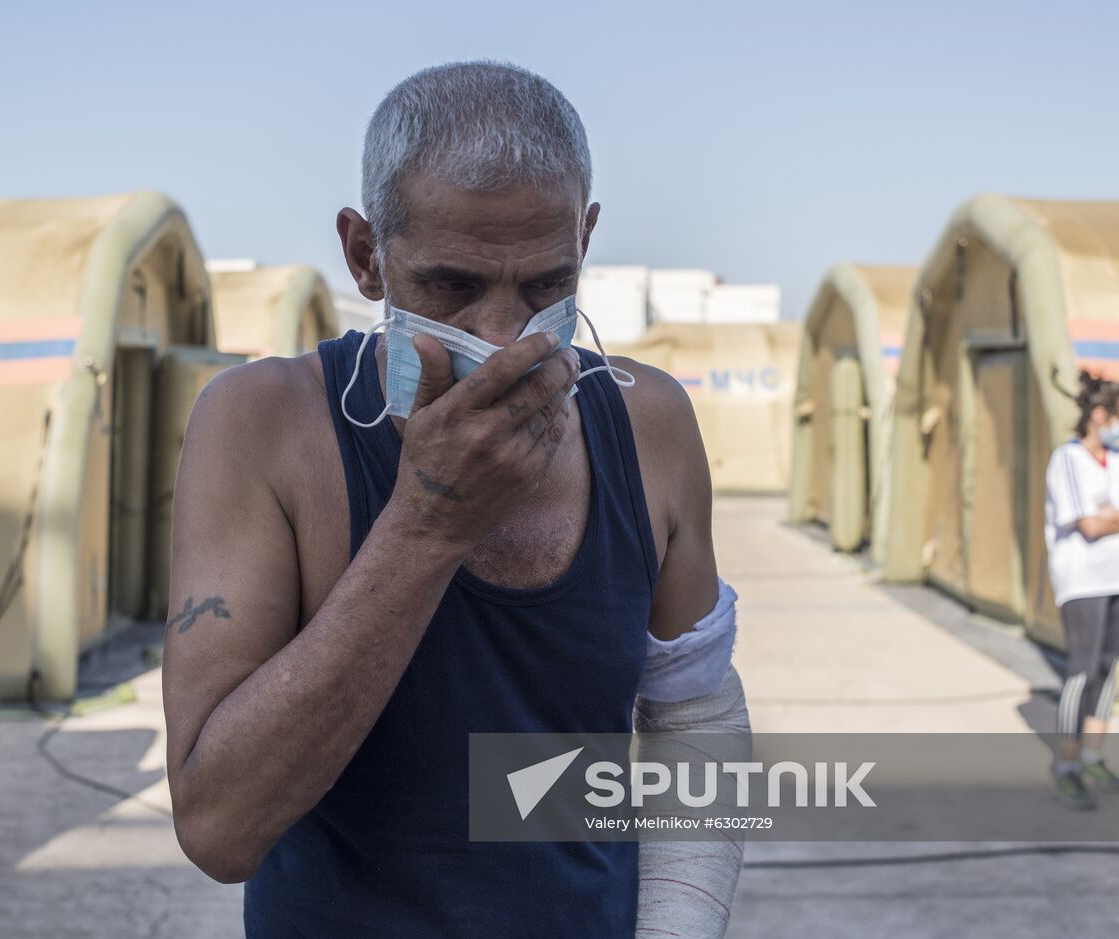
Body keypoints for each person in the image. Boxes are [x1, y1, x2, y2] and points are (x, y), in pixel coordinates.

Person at [163, 61, 746, 936]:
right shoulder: (263, 427)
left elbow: (694, 718)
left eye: (547, 285)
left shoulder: (647, 423)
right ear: (366, 256)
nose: (504, 337)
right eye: (452, 287)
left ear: (584, 240)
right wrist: (428, 522)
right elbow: (219, 827)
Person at [1044, 371, 1119, 809]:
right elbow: (1089, 525)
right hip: (1082, 580)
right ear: (1099, 414)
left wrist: (1110, 517)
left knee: (1110, 671)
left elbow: (1104, 518)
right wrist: (1107, 518)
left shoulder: (1115, 460)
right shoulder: (1068, 460)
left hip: (1114, 577)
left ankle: (1093, 755)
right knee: (1082, 670)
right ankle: (1068, 764)